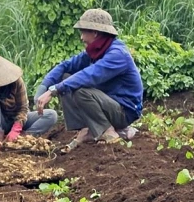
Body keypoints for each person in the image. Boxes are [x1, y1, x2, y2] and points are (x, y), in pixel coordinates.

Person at [35, 9, 143, 149]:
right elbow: (66, 66)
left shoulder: (117, 54)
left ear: (95, 33)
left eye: (83, 32)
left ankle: (107, 131)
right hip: (108, 103)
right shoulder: (97, 50)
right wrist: (44, 87)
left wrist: (53, 90)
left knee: (79, 89)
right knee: (65, 77)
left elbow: (89, 75)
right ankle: (86, 129)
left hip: (124, 111)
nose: (81, 38)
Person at [0, 53, 58, 146]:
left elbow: (23, 108)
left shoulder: (16, 82)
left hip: (16, 119)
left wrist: (16, 130)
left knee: (51, 115)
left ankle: (23, 139)